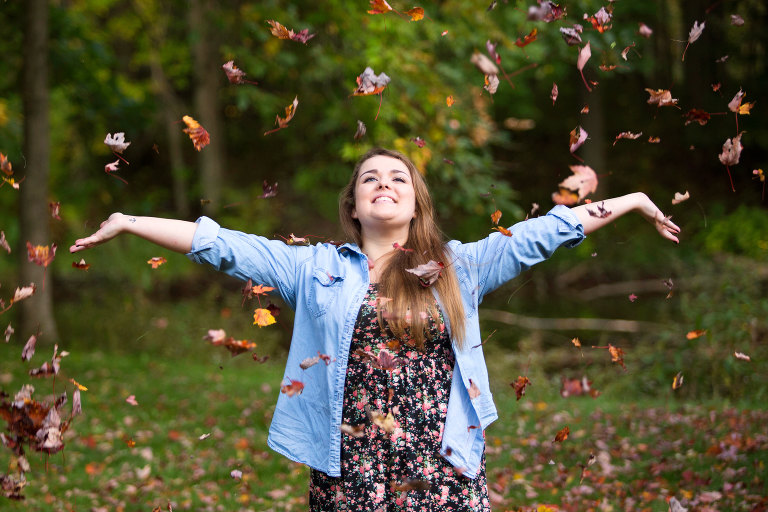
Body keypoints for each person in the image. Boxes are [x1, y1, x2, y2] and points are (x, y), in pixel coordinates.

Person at [70, 148, 680, 510]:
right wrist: (127, 218)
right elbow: (221, 245)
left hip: (444, 460)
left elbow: (547, 232)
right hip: (350, 461)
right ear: (354, 207)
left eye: (397, 179)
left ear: (415, 204)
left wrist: (629, 200)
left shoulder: (458, 267)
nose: (383, 184)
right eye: (370, 179)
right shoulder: (313, 269)